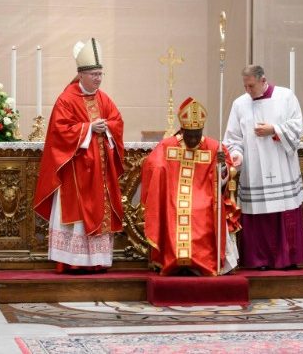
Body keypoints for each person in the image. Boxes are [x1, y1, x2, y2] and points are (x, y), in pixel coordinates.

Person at [33, 38, 125, 273]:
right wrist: (88, 129)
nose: (98, 78)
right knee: (76, 217)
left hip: (99, 171)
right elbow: (59, 132)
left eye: (100, 74)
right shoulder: (66, 99)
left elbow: (117, 121)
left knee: (98, 209)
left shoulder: (103, 98)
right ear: (81, 75)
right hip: (74, 173)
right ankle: (74, 260)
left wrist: (109, 128)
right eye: (94, 74)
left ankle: (97, 260)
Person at [142, 97, 241, 276]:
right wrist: (160, 170)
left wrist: (222, 166)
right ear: (183, 130)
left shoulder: (213, 147)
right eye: (190, 135)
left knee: (198, 210)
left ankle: (202, 263)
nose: (194, 139)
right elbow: (152, 165)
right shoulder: (168, 145)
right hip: (173, 195)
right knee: (175, 209)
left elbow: (225, 178)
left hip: (205, 196)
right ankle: (175, 262)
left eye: (197, 134)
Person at [223, 65, 303, 270]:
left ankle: (287, 259)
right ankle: (258, 259)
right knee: (257, 214)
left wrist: (274, 129)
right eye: (245, 86)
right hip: (255, 171)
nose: (248, 91)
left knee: (284, 211)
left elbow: (298, 127)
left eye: (251, 86)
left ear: (263, 80)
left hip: (281, 166)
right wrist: (236, 155)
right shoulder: (240, 104)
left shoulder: (285, 96)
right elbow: (234, 138)